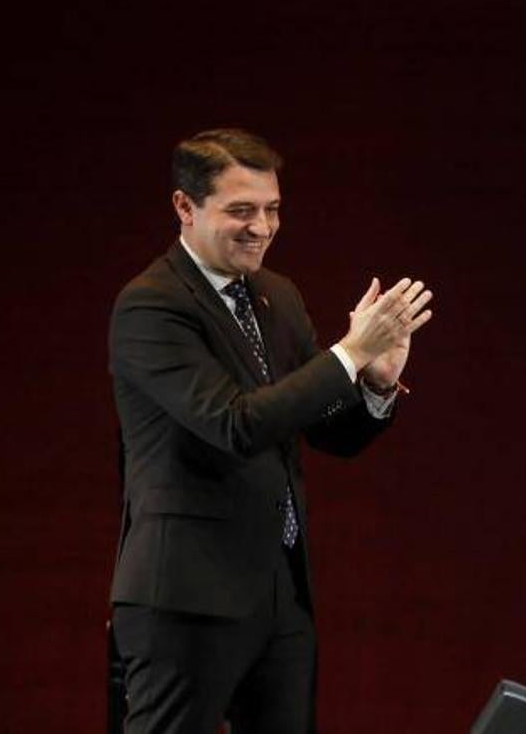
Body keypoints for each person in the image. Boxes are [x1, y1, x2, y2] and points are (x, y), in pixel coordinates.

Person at [108, 128, 433, 733]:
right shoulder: (150, 306)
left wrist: (376, 381)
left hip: (281, 596)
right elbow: (235, 423)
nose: (262, 226)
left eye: (272, 209)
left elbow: (327, 431)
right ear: (185, 206)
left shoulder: (276, 297)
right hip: (185, 599)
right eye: (241, 210)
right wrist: (347, 353)